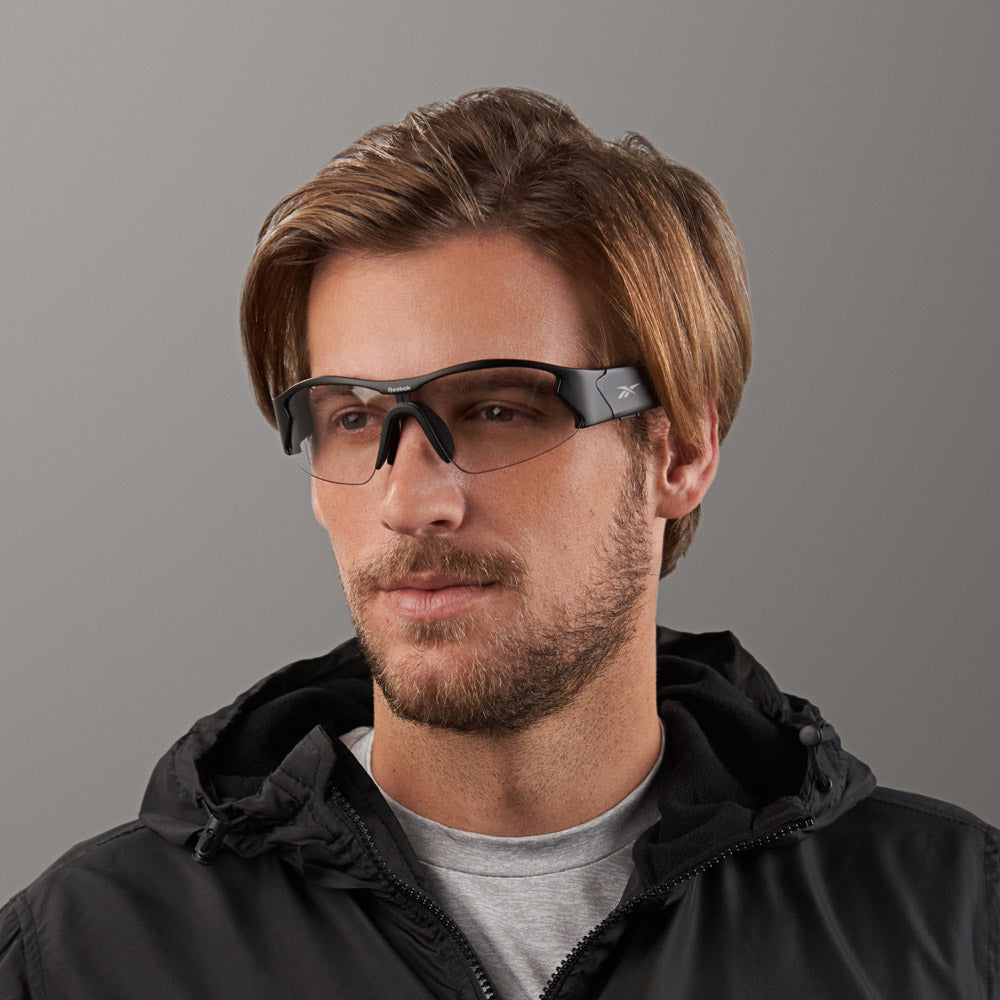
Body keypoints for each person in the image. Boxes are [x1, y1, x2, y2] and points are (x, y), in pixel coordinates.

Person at [1, 87, 994, 1000]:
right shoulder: (82, 956)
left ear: (680, 449)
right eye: (352, 418)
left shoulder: (952, 928)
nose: (408, 499)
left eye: (494, 408)